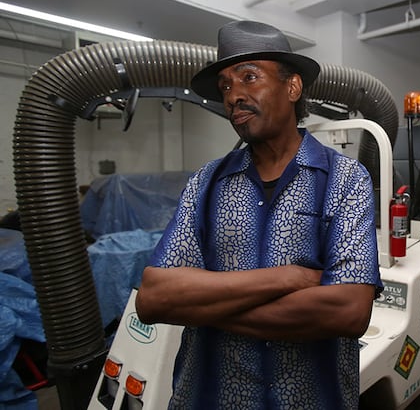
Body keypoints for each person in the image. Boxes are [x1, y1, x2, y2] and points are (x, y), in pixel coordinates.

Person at [136, 20, 383, 409]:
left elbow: (349, 310)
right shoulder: (207, 182)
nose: (233, 95)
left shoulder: (345, 180)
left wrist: (205, 305)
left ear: (292, 86)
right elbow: (154, 299)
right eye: (225, 86)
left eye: (248, 77)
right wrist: (289, 277)